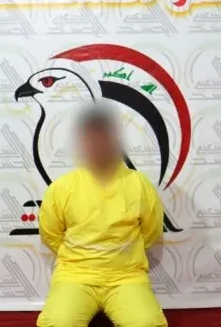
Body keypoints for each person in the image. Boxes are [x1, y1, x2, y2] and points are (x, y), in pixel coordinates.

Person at [36, 103, 168, 327]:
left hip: (126, 277)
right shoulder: (62, 187)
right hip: (75, 275)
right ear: (83, 143)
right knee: (57, 324)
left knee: (147, 324)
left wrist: (123, 258)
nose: (98, 145)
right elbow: (50, 234)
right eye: (92, 139)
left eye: (104, 138)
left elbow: (151, 232)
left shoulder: (139, 184)